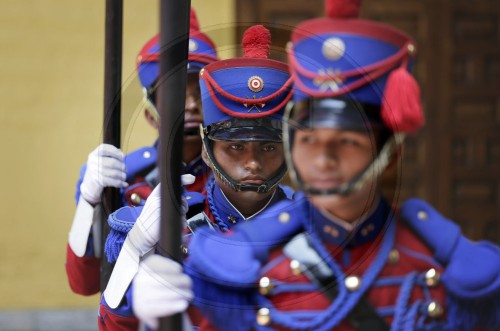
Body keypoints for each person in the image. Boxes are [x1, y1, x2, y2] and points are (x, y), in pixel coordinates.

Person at [133, 0, 500, 330]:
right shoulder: (236, 265)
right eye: (308, 140)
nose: (323, 159)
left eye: (347, 142)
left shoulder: (446, 264)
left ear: (391, 154)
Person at [97, 25, 295, 330]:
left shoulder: (313, 221)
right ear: (206, 150)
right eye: (235, 147)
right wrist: (134, 249)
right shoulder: (169, 224)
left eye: (269, 147)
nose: (253, 162)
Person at [65, 8, 218, 296]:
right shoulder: (124, 176)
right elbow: (83, 283)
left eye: (199, 91)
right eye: (176, 93)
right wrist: (88, 203)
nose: (192, 105)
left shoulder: (237, 174)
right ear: (149, 114)